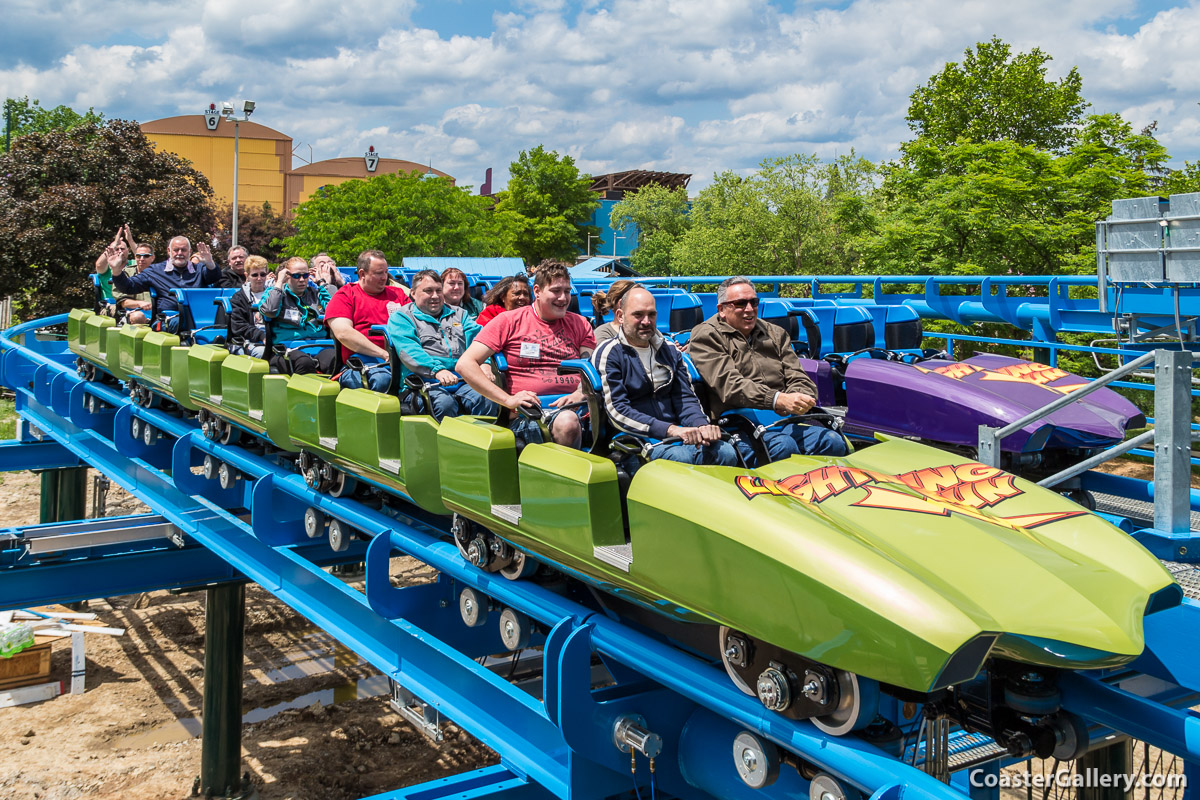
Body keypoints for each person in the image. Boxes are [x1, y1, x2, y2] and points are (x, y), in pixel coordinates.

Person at [688, 276, 848, 465]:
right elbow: (730, 387)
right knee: (783, 446)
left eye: (753, 302)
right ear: (722, 309)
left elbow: (799, 377)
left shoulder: (775, 333)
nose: (749, 309)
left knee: (832, 441)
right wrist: (777, 400)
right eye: (740, 304)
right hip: (736, 424)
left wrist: (800, 398)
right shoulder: (707, 336)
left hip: (782, 420)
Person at [592, 287, 736, 471]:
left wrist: (701, 425)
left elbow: (685, 398)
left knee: (724, 452)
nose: (646, 321)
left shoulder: (669, 349)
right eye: (638, 315)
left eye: (651, 315)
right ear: (620, 316)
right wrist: (669, 429)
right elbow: (618, 410)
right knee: (680, 458)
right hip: (634, 439)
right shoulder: (610, 353)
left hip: (677, 434)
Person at [457, 264, 595, 448]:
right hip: (529, 416)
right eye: (556, 291)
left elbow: (591, 366)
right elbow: (465, 365)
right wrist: (507, 400)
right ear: (537, 291)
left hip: (582, 408)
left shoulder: (580, 323)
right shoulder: (508, 321)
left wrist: (580, 392)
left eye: (567, 291)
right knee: (567, 422)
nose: (563, 298)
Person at [387, 270, 496, 420]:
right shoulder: (401, 318)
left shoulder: (460, 314)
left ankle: (478, 442)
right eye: (428, 291)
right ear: (412, 293)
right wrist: (437, 371)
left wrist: (485, 363)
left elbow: (479, 340)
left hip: (464, 380)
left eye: (438, 290)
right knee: (444, 404)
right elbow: (410, 351)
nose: (435, 296)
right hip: (424, 383)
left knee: (488, 400)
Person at [325, 249, 411, 391]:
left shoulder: (398, 295)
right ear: (362, 274)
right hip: (361, 364)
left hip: (403, 359)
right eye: (378, 273)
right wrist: (384, 354)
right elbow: (343, 333)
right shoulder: (345, 296)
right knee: (383, 380)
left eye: (385, 272)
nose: (384, 277)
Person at [110, 235, 222, 331]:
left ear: (190, 252)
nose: (180, 253)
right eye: (176, 250)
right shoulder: (155, 271)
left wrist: (210, 263)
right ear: (169, 251)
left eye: (183, 250)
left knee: (225, 320)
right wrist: (116, 271)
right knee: (185, 321)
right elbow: (129, 287)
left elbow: (215, 277)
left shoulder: (199, 269)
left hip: (200, 316)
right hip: (168, 319)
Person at [259, 257, 336, 374]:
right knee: (304, 362)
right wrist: (279, 282)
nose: (301, 280)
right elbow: (270, 310)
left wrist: (322, 283)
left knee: (334, 359)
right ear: (287, 276)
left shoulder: (315, 294)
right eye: (296, 276)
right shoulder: (276, 293)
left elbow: (335, 308)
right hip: (286, 348)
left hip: (319, 345)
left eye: (305, 276)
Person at [228, 255, 271, 357]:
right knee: (263, 353)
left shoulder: (274, 294)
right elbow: (239, 326)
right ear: (247, 276)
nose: (259, 278)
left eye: (263, 274)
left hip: (274, 337)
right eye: (255, 275)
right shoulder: (239, 298)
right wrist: (261, 336)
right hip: (251, 341)